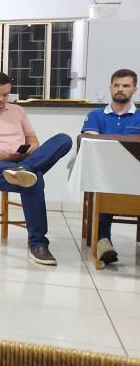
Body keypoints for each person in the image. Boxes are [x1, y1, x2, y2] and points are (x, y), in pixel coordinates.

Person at [0, 72, 71, 266]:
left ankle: (24, 168)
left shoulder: (17, 111)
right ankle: (38, 245)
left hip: (19, 161)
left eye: (6, 95)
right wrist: (0, 155)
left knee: (63, 140)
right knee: (33, 180)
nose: (1, 99)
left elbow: (34, 142)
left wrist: (27, 152)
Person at [81, 68, 140, 264]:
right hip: (104, 174)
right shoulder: (96, 115)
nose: (120, 89)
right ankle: (103, 241)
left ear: (134, 89)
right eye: (117, 85)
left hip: (136, 174)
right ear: (110, 88)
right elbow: (91, 144)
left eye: (126, 85)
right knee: (104, 183)